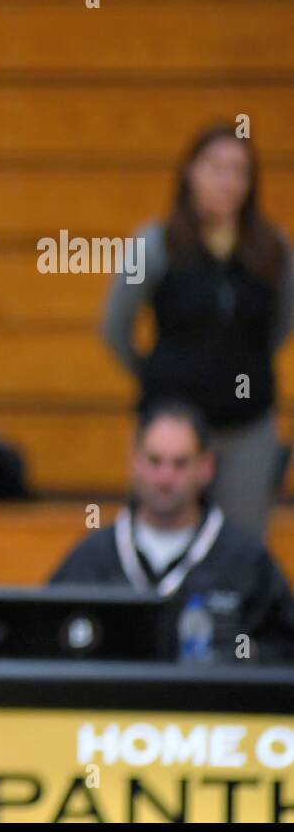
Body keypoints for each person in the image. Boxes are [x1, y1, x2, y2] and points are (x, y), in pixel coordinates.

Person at [102, 124, 294, 536]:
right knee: (160, 536)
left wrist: (244, 369)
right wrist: (156, 373)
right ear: (190, 173)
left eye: (238, 171)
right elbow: (115, 326)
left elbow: (280, 327)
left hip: (247, 426)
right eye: (214, 167)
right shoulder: (155, 243)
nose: (227, 181)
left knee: (242, 547)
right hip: (172, 425)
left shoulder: (272, 249)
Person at [48, 399, 294, 664]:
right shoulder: (92, 558)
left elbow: (285, 649)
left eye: (180, 463)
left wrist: (247, 655)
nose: (165, 478)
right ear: (133, 462)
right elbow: (44, 640)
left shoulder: (246, 560)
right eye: (155, 461)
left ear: (206, 467)